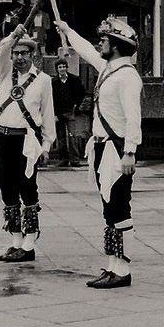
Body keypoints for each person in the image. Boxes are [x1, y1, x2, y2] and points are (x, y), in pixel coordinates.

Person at [56, 17, 142, 289]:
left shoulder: (127, 75)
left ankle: (123, 269)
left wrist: (130, 152)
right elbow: (86, 50)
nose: (100, 44)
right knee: (109, 208)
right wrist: (68, 30)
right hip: (103, 147)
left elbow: (133, 118)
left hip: (117, 150)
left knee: (119, 206)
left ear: (116, 45)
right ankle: (113, 265)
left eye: (104, 40)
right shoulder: (108, 68)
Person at [0, 24, 55, 264]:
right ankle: (15, 241)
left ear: (32, 55)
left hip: (26, 140)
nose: (20, 57)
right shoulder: (4, 73)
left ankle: (30, 242)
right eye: (16, 53)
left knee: (28, 188)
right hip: (3, 138)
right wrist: (12, 36)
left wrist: (46, 145)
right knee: (6, 189)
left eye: (24, 53)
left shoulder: (43, 80)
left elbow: (47, 112)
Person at [51, 58, 85, 167]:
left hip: (70, 110)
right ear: (57, 69)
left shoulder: (74, 80)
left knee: (72, 135)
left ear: (67, 67)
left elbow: (81, 92)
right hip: (59, 112)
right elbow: (51, 98)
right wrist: (54, 114)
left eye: (64, 67)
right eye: (60, 67)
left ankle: (75, 159)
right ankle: (63, 159)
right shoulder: (54, 82)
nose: (62, 69)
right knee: (61, 137)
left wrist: (76, 104)